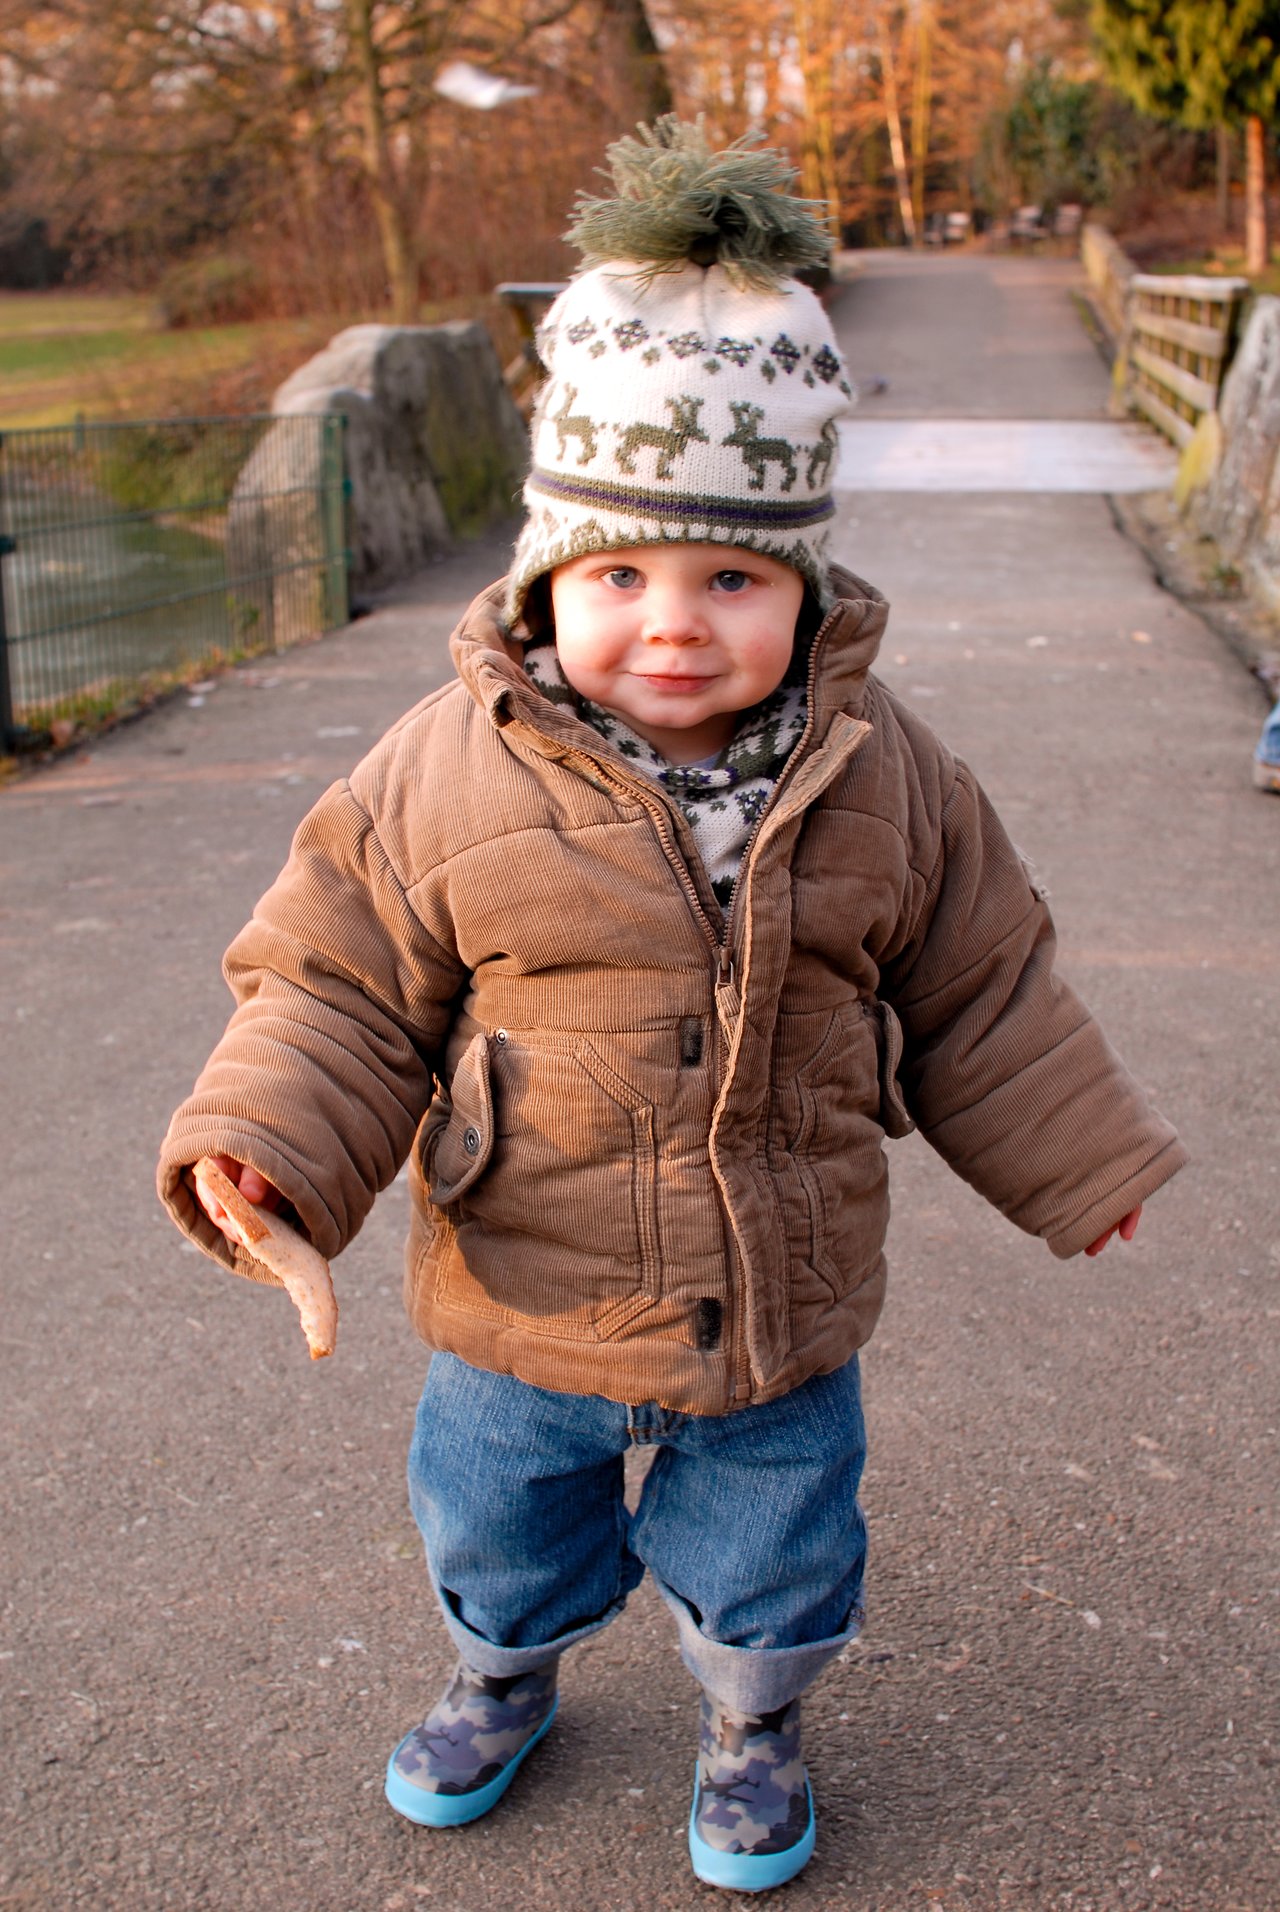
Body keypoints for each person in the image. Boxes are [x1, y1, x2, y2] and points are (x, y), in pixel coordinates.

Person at [158, 121, 1187, 1895]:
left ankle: (753, 1716)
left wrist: (1071, 1158)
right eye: (622, 576)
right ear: (551, 573)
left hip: (776, 1304)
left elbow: (983, 981)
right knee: (498, 1521)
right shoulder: (445, 771)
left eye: (733, 579)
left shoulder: (888, 775)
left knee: (780, 1538)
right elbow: (334, 982)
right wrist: (264, 1147)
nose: (676, 624)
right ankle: (502, 1673)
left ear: (807, 584)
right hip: (519, 1292)